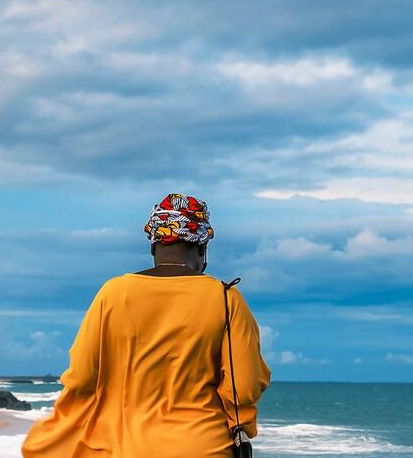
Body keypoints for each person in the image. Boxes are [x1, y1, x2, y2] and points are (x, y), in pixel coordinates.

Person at [22, 193, 270, 457]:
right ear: (201, 248)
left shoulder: (113, 293)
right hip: (204, 446)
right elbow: (244, 385)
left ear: (153, 246)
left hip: (124, 447)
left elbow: (82, 376)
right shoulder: (225, 297)